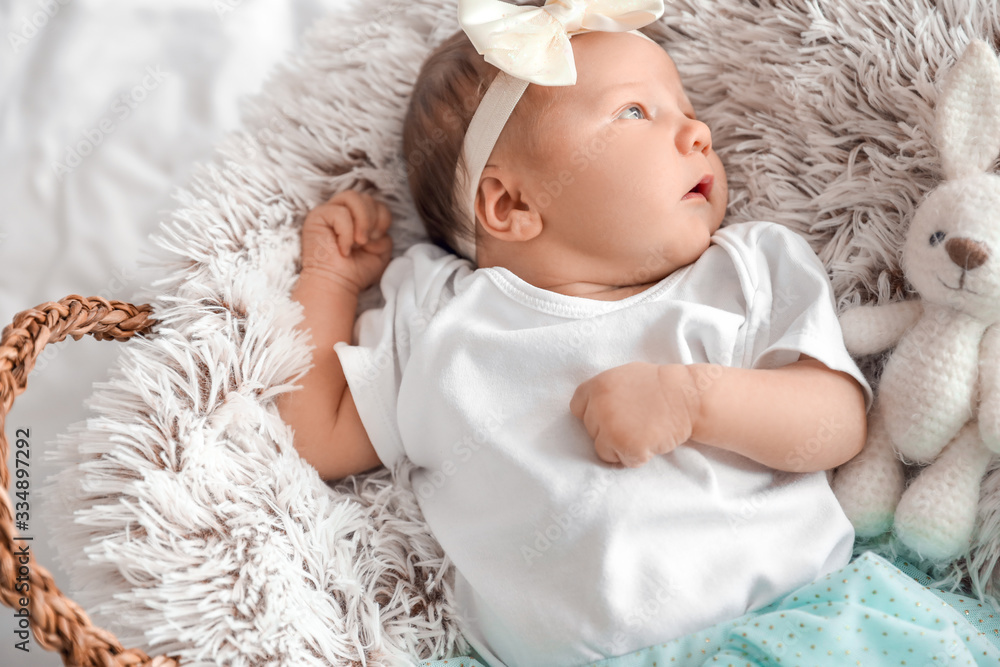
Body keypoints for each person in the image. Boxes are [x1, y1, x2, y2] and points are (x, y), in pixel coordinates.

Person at [277, 1, 873, 665]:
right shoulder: (441, 322)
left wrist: (696, 399)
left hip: (796, 624)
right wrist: (328, 282)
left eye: (685, 105)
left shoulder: (742, 271)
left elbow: (838, 422)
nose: (697, 132)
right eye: (635, 112)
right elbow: (317, 436)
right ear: (511, 204)